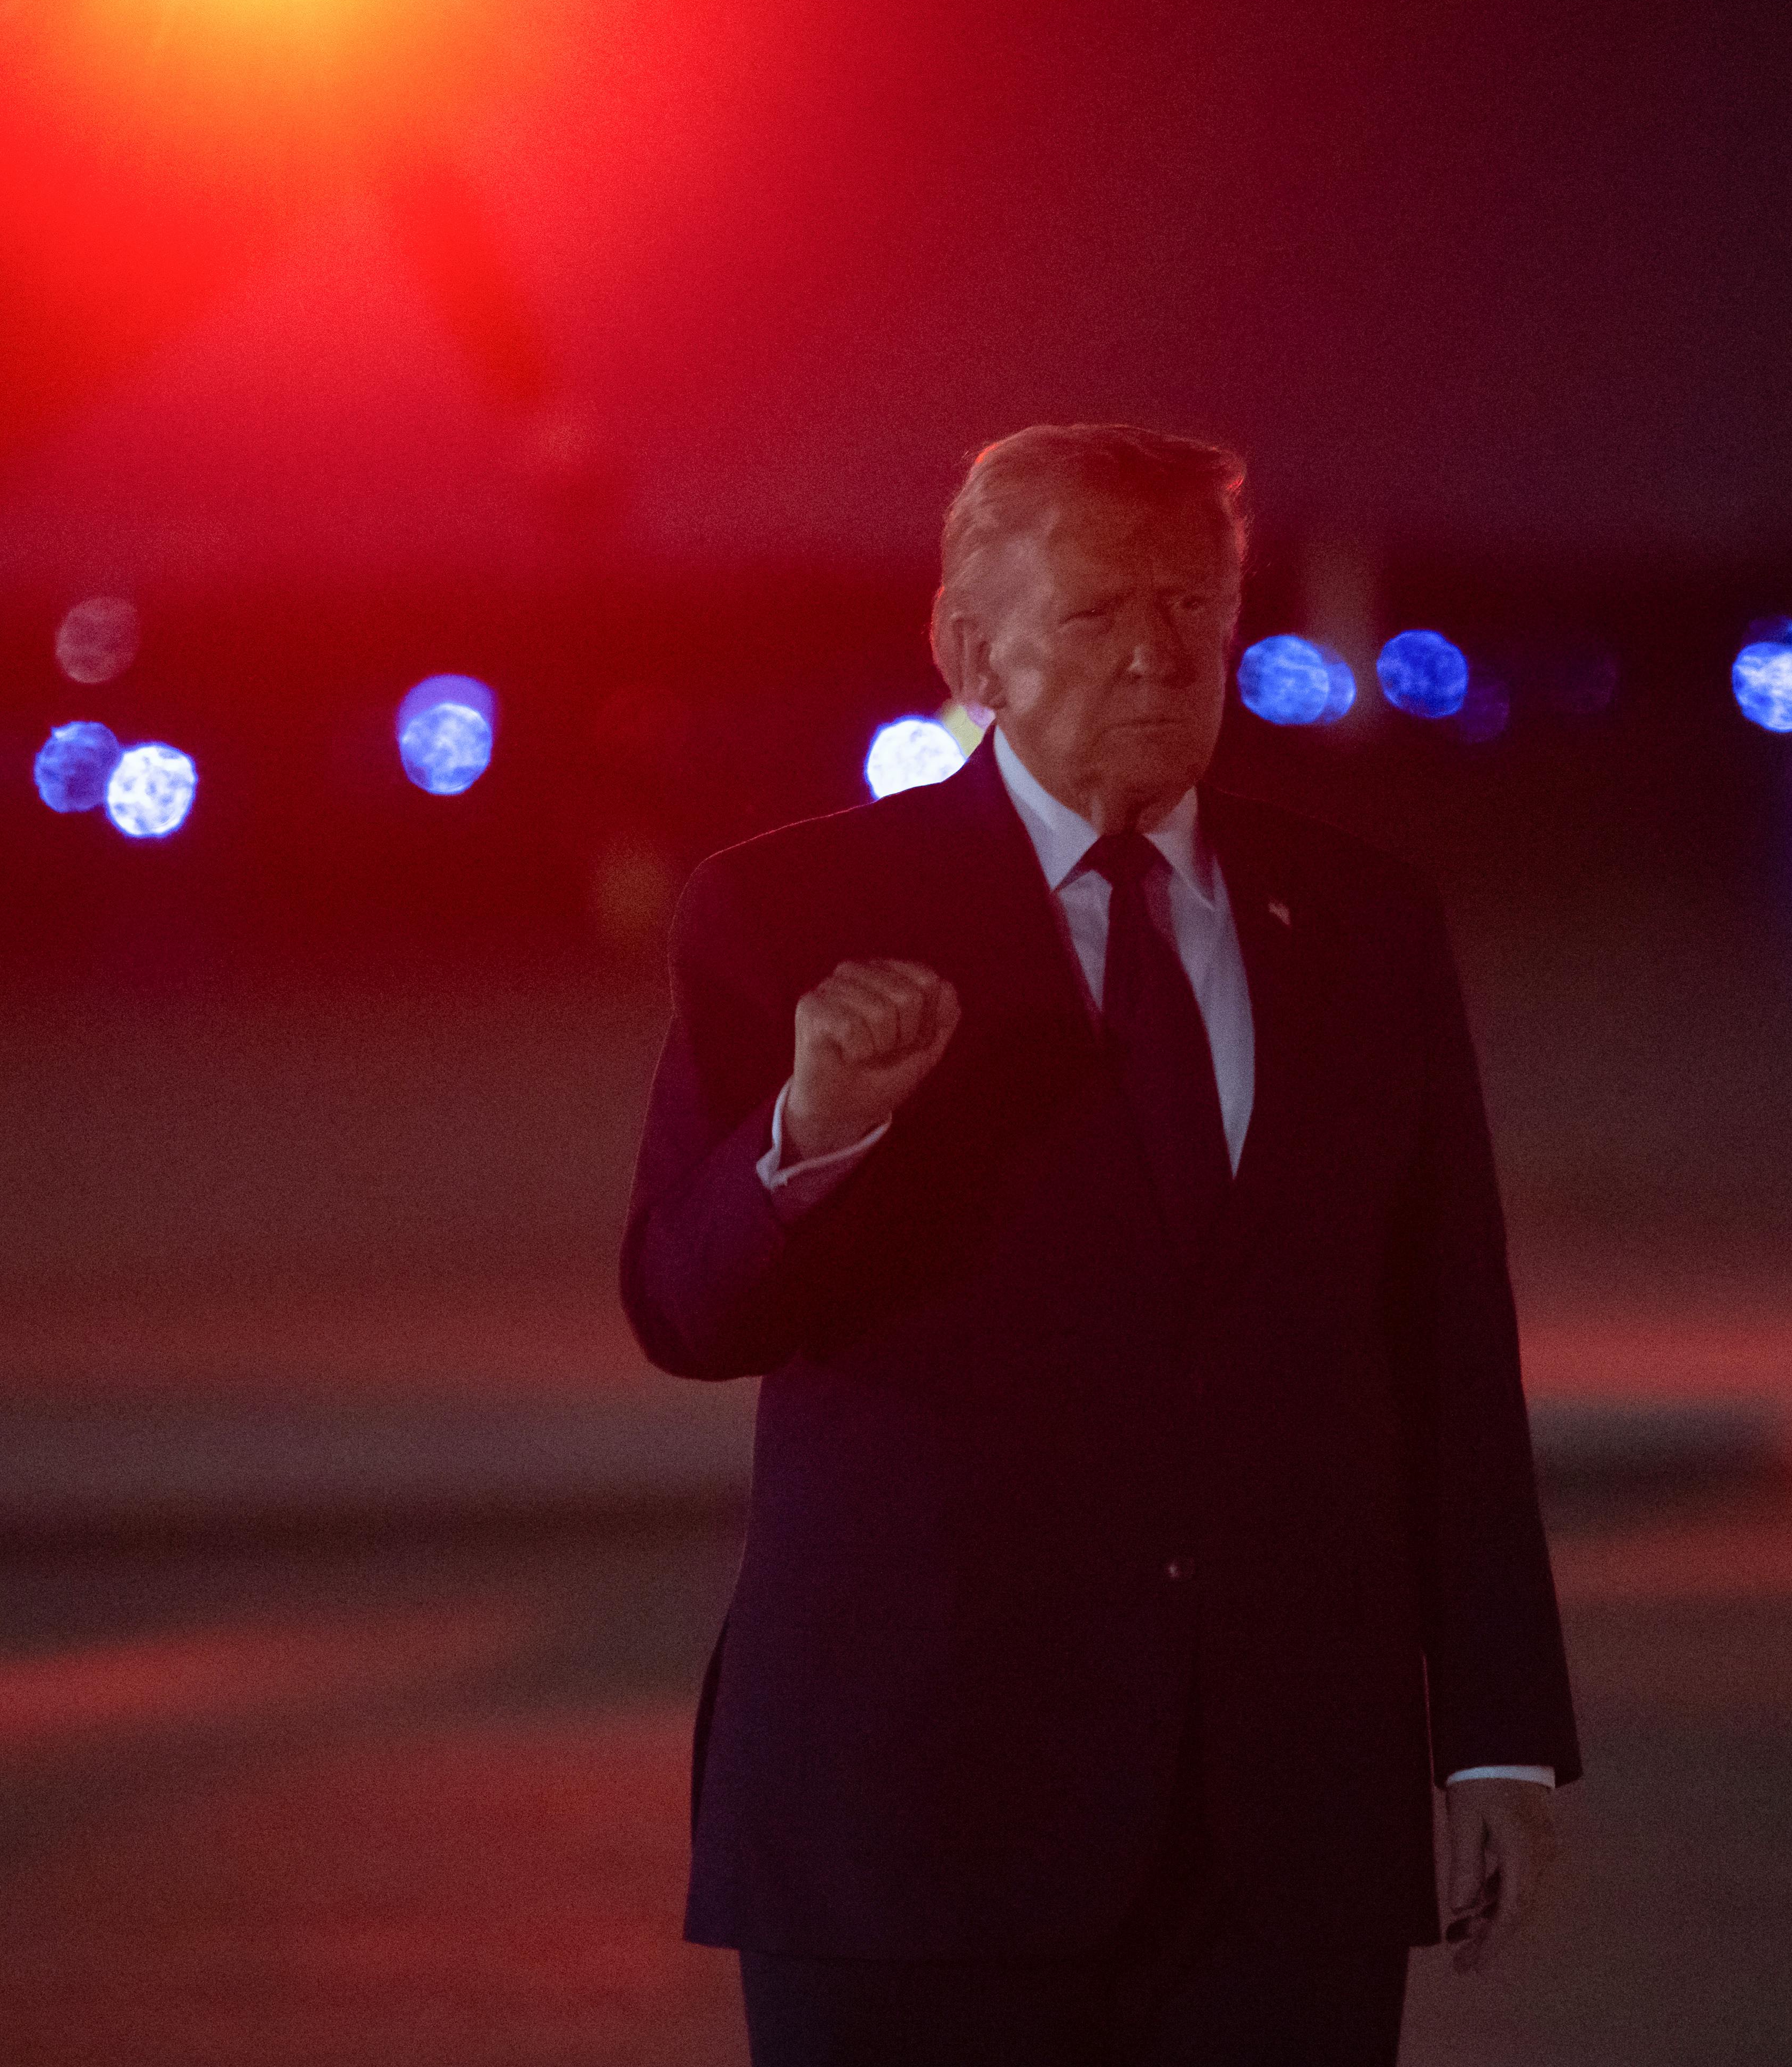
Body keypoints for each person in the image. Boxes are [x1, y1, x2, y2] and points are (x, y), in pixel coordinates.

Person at [620, 424, 1578, 2065]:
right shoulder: (789, 910)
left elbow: (1446, 1352)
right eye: (1094, 613)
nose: (1156, 651)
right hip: (917, 1825)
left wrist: (1497, 1739)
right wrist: (816, 1126)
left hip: (1279, 1843)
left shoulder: (1362, 923)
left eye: (1193, 607)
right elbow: (685, 1309)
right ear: (965, 644)